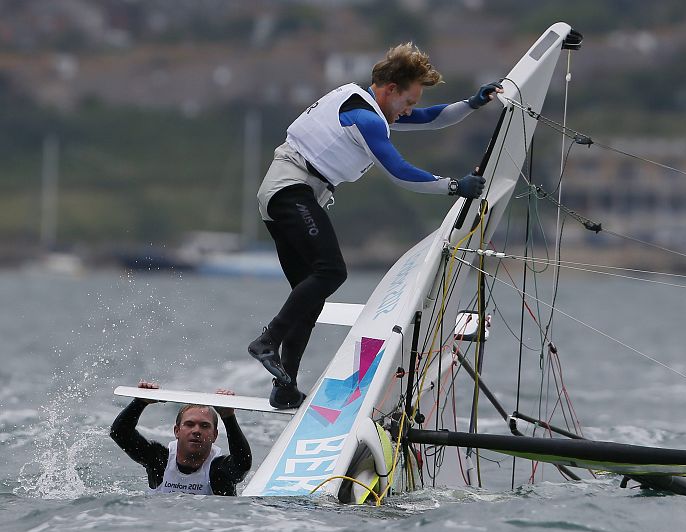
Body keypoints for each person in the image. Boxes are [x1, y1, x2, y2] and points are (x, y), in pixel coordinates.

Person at [249, 42, 503, 410]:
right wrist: (453, 186)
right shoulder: (366, 118)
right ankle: (266, 341)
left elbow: (432, 117)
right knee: (331, 271)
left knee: (310, 298)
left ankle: (284, 386)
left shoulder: (372, 106)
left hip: (285, 194)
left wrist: (473, 103)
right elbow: (400, 172)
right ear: (390, 90)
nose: (410, 110)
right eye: (408, 102)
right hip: (290, 191)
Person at [110, 381, 252, 496]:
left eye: (204, 426)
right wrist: (140, 402)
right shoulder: (159, 461)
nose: (196, 431)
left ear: (214, 435)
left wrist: (228, 416)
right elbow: (119, 433)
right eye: (189, 424)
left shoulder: (219, 472)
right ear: (177, 431)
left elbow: (243, 464)